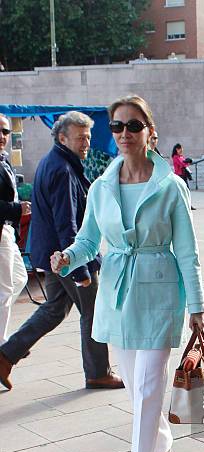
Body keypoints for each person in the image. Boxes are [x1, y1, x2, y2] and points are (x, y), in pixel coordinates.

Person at [51, 95, 204, 452]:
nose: (123, 134)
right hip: (118, 295)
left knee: (147, 390)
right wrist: (67, 256)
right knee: (140, 392)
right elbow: (87, 240)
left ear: (149, 131)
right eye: (116, 127)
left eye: (132, 126)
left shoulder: (171, 185)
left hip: (159, 294)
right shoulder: (101, 186)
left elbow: (188, 251)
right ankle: (161, 442)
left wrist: (196, 307)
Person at [0, 111, 123, 391]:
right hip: (68, 257)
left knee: (54, 309)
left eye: (89, 138)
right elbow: (66, 224)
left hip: (55, 255)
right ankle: (97, 372)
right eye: (80, 138)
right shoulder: (63, 170)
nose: (86, 143)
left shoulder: (57, 162)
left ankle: (6, 355)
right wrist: (79, 268)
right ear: (62, 137)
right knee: (93, 310)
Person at [0, 114, 29, 348]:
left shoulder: (5, 159)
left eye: (5, 132)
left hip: (8, 231)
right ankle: (1, 347)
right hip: (2, 231)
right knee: (5, 291)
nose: (2, 136)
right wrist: (16, 209)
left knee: (19, 278)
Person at [171, 143, 196, 209]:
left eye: (182, 149)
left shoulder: (181, 157)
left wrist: (187, 162)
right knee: (181, 191)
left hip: (184, 175)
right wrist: (187, 162)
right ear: (176, 149)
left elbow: (185, 165)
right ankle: (181, 205)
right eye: (180, 149)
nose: (181, 150)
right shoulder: (175, 157)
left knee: (187, 190)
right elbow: (182, 164)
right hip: (179, 176)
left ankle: (189, 205)